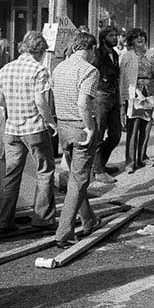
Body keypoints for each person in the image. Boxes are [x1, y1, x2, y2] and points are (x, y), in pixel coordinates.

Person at [0, 31, 56, 234]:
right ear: (40, 51)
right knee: (45, 171)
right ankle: (42, 219)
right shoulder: (39, 70)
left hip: (12, 129)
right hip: (34, 128)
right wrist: (51, 122)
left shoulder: (5, 69)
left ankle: (3, 221)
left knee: (11, 175)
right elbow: (40, 101)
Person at [50, 31, 102, 249]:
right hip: (80, 127)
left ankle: (88, 218)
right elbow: (83, 103)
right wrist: (91, 128)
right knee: (79, 181)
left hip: (63, 126)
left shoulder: (59, 68)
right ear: (90, 49)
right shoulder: (89, 70)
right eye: (93, 51)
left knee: (75, 177)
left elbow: (51, 97)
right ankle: (64, 233)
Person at [119, 28, 154, 173]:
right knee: (133, 129)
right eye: (136, 37)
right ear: (131, 41)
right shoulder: (127, 56)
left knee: (146, 128)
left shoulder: (153, 54)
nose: (140, 39)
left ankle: (142, 157)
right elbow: (124, 79)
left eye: (142, 36)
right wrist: (124, 98)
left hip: (150, 93)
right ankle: (130, 162)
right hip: (135, 94)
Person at [91, 26, 122, 183]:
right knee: (98, 132)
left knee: (116, 134)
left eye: (116, 35)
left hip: (114, 96)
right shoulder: (97, 54)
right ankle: (98, 170)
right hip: (101, 95)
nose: (115, 38)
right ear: (103, 38)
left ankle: (100, 163)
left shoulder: (115, 54)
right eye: (111, 35)